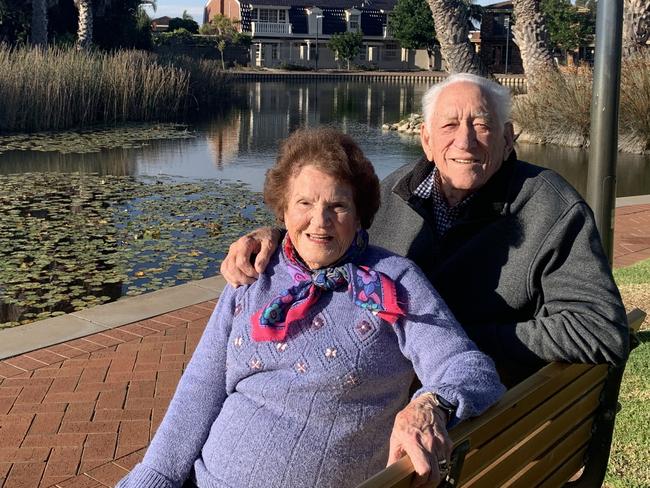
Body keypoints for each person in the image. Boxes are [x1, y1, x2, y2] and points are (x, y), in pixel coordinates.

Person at [116, 128, 505, 488]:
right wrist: (155, 477)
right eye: (304, 203)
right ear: (283, 211)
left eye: (337, 205)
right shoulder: (254, 272)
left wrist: (429, 406)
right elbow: (200, 389)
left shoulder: (393, 282)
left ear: (360, 214)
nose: (320, 222)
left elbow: (468, 368)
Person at [220, 73, 629, 388]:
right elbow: (330, 231)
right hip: (381, 385)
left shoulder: (550, 206)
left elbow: (599, 330)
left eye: (482, 124)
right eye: (449, 126)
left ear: (508, 139)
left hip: (474, 413)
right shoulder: (396, 190)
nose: (465, 141)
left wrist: (459, 337)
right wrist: (273, 235)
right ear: (427, 140)